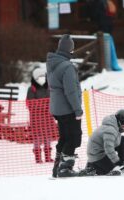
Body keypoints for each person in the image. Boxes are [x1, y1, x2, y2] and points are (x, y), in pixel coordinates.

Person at [46, 34, 83, 177]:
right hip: (68, 108)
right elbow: (71, 91)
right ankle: (64, 168)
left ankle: (57, 168)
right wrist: (77, 109)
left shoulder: (52, 63)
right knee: (74, 137)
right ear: (70, 50)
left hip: (57, 108)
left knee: (64, 137)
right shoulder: (67, 67)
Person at [81, 109, 124, 176]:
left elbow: (115, 145)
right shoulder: (110, 130)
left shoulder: (113, 127)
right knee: (117, 171)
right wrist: (117, 162)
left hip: (101, 153)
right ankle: (91, 168)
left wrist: (123, 160)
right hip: (98, 157)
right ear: (120, 121)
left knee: (123, 140)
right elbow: (109, 148)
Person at [26, 67, 57, 164]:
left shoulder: (48, 88)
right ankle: (38, 157)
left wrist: (48, 106)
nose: (42, 78)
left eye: (43, 76)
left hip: (47, 116)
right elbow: (30, 104)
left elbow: (52, 100)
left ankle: (48, 156)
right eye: (40, 77)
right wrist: (44, 104)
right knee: (38, 138)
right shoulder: (31, 89)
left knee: (48, 136)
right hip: (36, 118)